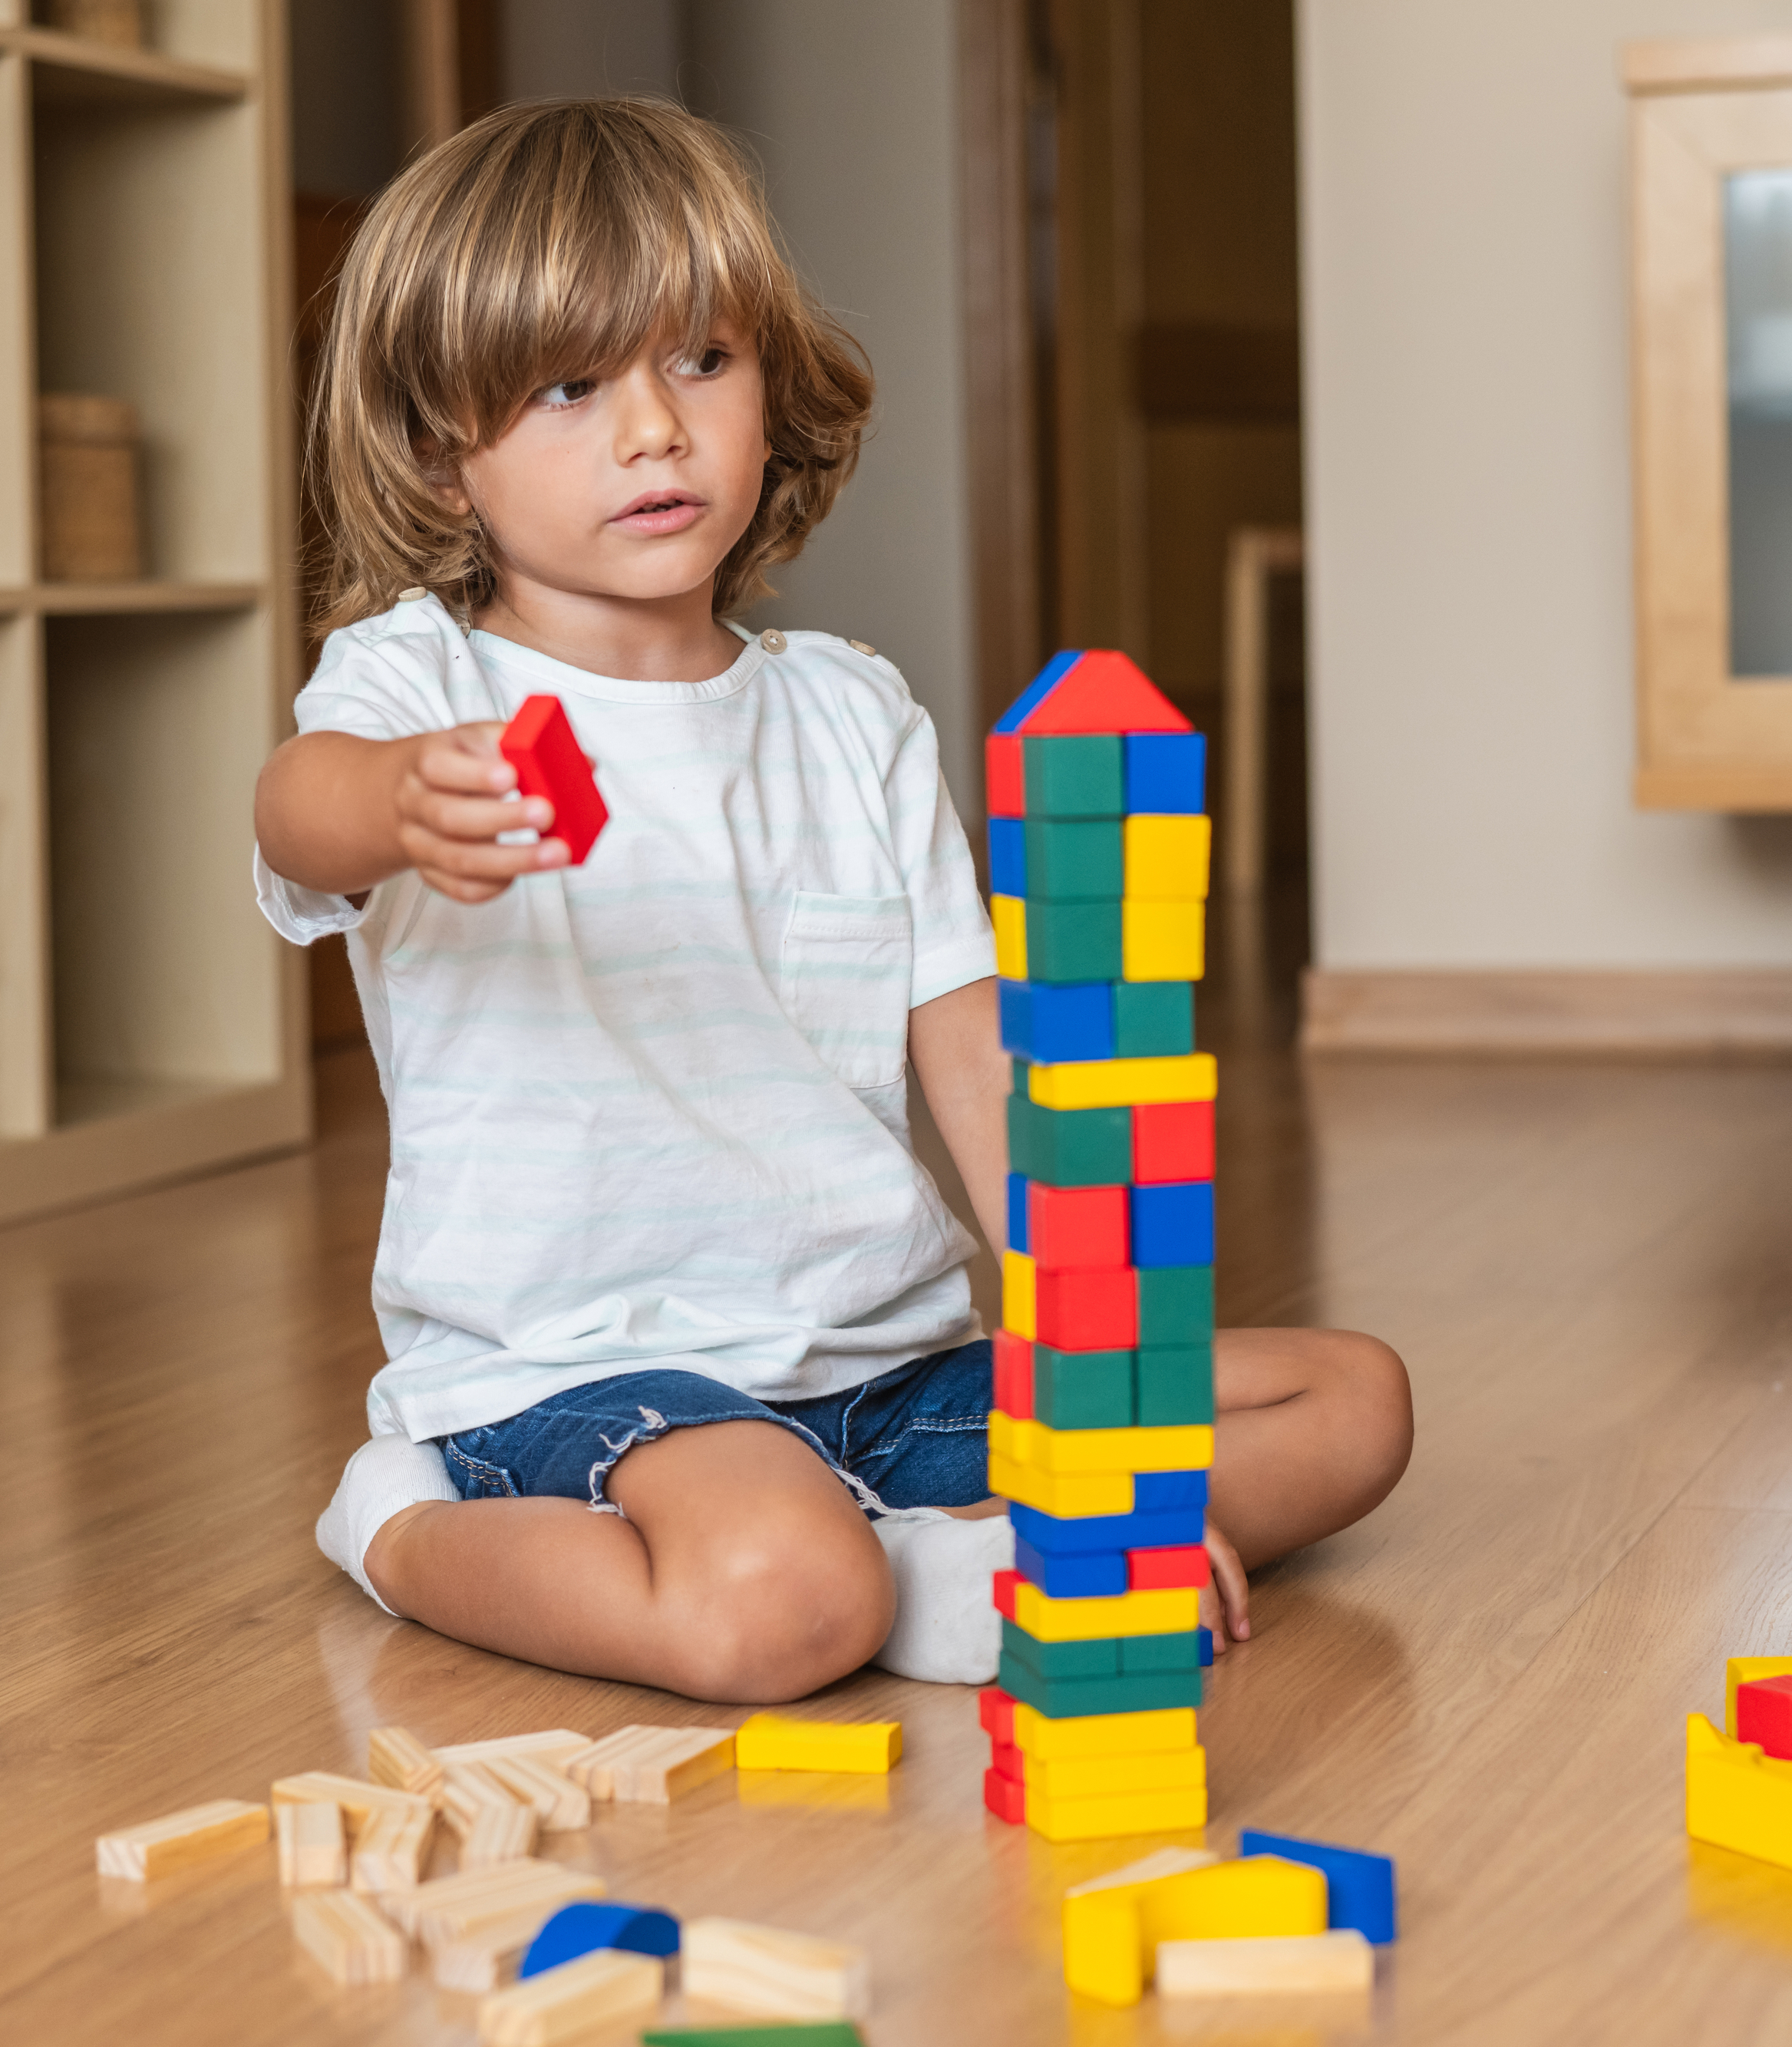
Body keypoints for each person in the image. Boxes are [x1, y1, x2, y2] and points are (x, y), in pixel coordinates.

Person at [254, 97, 1411, 1705]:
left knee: (1350, 1401)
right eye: (570, 386)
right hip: (593, 1371)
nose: (651, 429)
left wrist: (1099, 1412)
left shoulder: (853, 715)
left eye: (700, 361)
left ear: (769, 385)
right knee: (780, 1609)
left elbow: (975, 1062)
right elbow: (298, 816)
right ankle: (401, 1524)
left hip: (892, 1359)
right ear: (444, 455)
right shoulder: (417, 685)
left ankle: (941, 1551)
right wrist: (396, 800)